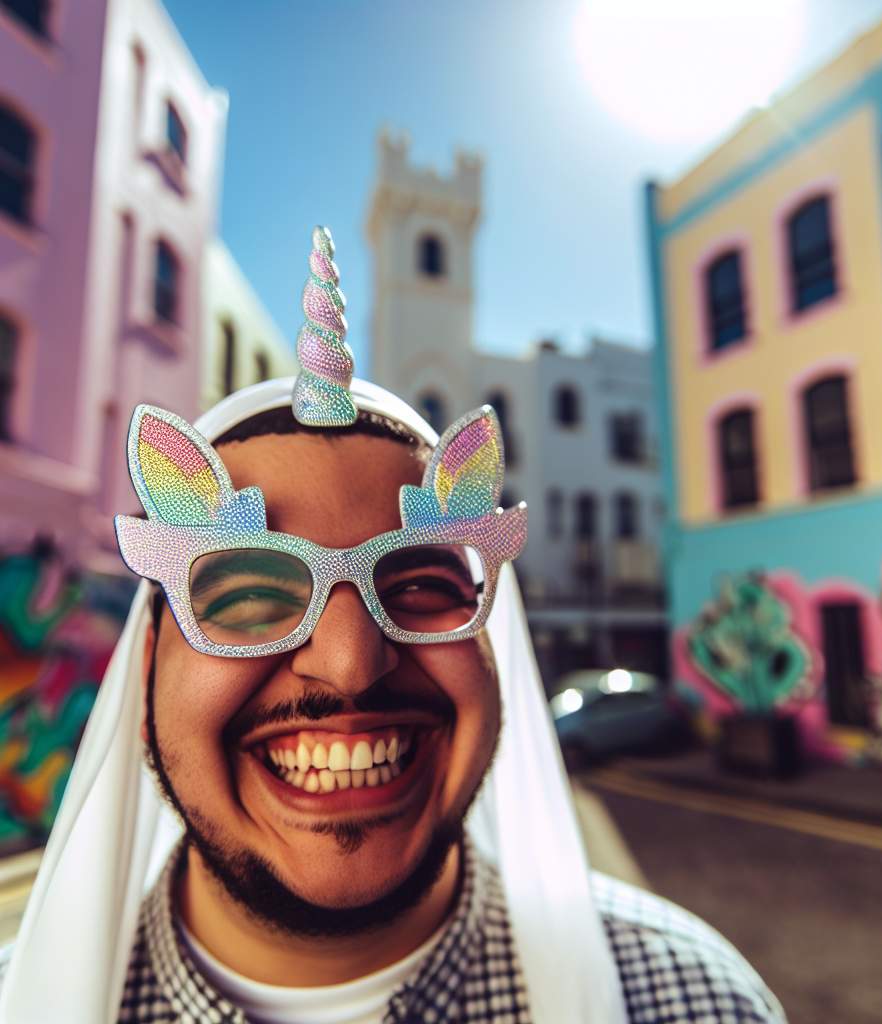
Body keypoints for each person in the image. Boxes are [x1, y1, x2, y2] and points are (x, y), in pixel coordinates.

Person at [0, 228, 785, 1024]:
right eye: (248, 596)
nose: (349, 664)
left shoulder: (698, 1004)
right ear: (145, 672)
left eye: (417, 586)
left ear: (494, 650)